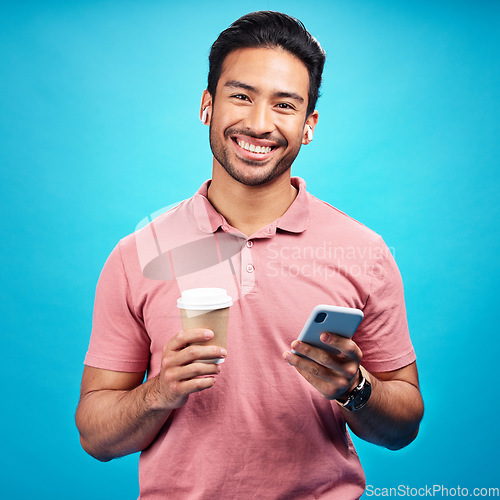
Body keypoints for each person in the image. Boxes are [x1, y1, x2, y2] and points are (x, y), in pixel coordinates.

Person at [76, 11, 424, 499]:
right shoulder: (138, 254)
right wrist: (160, 393)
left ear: (308, 125)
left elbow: (403, 427)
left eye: (285, 105)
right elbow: (95, 437)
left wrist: (354, 387)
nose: (259, 124)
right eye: (241, 96)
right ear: (207, 105)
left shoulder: (364, 252)